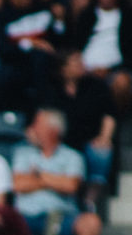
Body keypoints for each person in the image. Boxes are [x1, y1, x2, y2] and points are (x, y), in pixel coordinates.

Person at [11, 108, 104, 235]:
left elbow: (70, 186)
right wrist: (55, 181)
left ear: (52, 131)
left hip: (60, 216)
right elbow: (18, 183)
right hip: (25, 218)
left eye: (37, 125)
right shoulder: (23, 153)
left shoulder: (72, 157)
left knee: (91, 223)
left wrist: (38, 176)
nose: (32, 129)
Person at [68, 0, 132, 114]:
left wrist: (108, 70)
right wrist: (85, 69)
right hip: (85, 70)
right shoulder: (86, 16)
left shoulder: (130, 17)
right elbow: (74, 47)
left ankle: (117, 131)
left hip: (117, 71)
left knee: (122, 82)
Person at [45, 50, 115, 191]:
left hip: (90, 140)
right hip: (63, 143)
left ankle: (93, 196)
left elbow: (109, 115)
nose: (81, 64)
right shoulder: (52, 91)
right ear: (63, 69)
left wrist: (104, 137)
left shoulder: (96, 85)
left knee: (101, 151)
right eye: (76, 62)